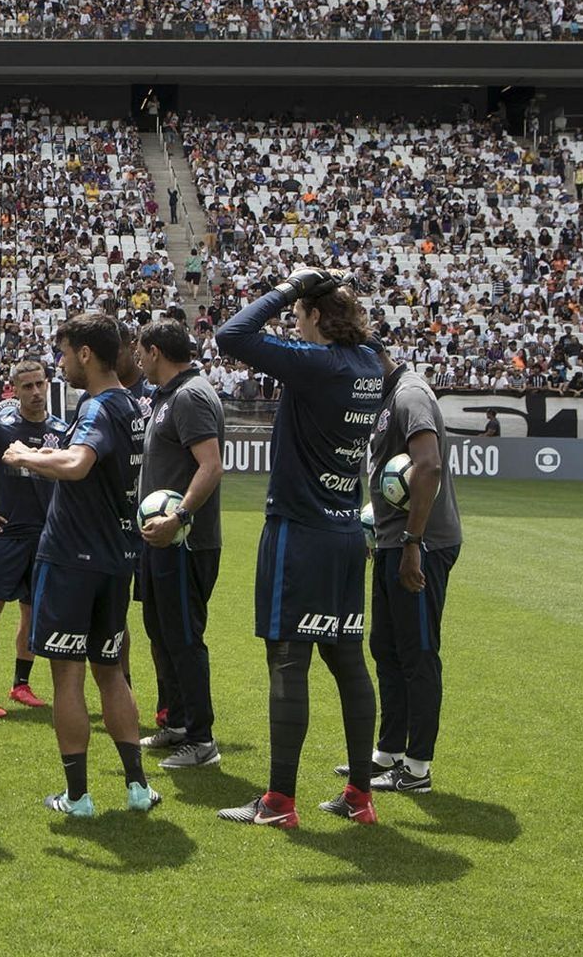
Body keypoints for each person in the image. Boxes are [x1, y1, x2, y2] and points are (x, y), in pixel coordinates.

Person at [215, 267, 385, 828]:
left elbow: (231, 336)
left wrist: (290, 286)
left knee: (288, 660)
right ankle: (360, 796)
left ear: (314, 315)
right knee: (347, 661)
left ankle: (278, 803)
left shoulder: (319, 364)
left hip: (299, 531)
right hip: (344, 534)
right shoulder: (368, 362)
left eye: (298, 313)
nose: (292, 319)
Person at [4, 313, 157, 818]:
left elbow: (77, 465)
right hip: (115, 559)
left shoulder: (98, 405)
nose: (61, 364)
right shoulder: (133, 406)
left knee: (68, 680)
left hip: (71, 559)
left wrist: (25, 456)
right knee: (111, 673)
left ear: (86, 355)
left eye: (65, 354)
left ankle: (78, 798)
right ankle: (137, 788)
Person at [347, 348, 462, 794]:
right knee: (387, 648)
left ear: (374, 363)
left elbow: (428, 466)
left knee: (417, 653)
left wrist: (414, 542)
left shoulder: (410, 394)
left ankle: (417, 767)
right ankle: (388, 753)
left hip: (421, 545)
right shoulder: (387, 397)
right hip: (395, 542)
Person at [133, 321, 226, 769]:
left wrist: (179, 517)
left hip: (186, 542)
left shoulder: (191, 396)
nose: (136, 359)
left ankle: (202, 741)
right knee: (162, 632)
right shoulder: (167, 396)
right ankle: (178, 722)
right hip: (161, 542)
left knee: (185, 638)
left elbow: (210, 466)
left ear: (154, 351)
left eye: (140, 351)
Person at [0, 359, 67, 711]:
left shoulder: (61, 430)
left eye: (40, 384)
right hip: (5, 532)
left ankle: (20, 685)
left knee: (31, 611)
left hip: (46, 536)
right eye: (27, 386)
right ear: (14, 390)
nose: (36, 392)